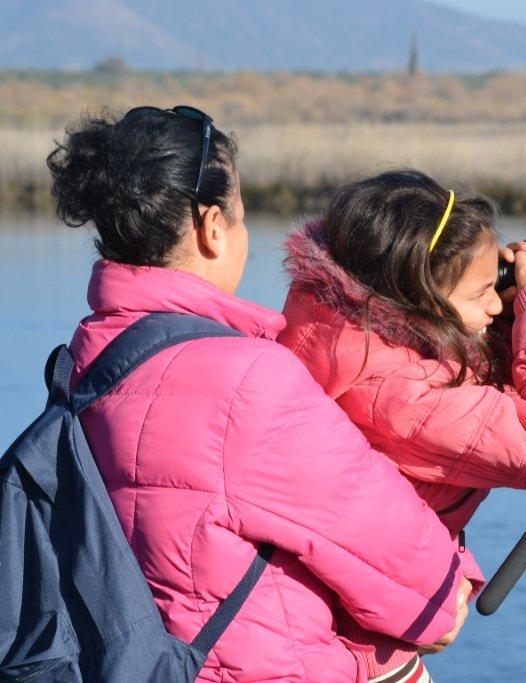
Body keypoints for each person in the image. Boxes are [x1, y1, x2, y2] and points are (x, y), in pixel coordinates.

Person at [46, 109, 470, 682]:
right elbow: (430, 597)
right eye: (243, 219)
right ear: (212, 227)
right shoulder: (246, 381)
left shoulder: (86, 358)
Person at [279, 169, 526, 680]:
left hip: (343, 622)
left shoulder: (339, 330)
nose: (496, 305)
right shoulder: (396, 392)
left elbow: (456, 389)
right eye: (481, 295)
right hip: (362, 655)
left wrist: (503, 315)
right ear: (420, 298)